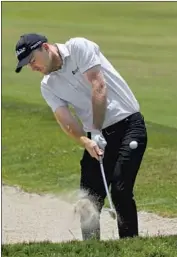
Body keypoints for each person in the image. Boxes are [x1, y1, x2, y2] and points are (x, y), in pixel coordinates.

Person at [15, 33, 148, 240]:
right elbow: (64, 117)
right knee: (88, 199)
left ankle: (131, 246)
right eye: (27, 66)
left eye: (32, 60)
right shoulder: (48, 85)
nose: (32, 67)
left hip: (129, 126)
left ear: (45, 48)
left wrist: (95, 129)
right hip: (95, 138)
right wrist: (85, 140)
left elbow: (99, 86)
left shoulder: (78, 47)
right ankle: (91, 250)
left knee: (120, 190)